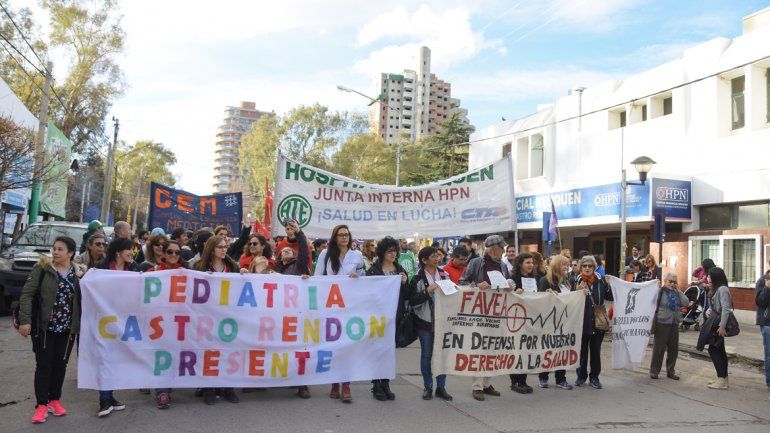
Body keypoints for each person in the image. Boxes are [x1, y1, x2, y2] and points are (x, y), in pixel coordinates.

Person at [18, 236, 85, 424]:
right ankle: (41, 405)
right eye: (54, 248)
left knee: (60, 365)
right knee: (44, 365)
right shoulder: (42, 268)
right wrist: (25, 321)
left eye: (60, 249)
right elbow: (27, 294)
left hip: (68, 328)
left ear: (71, 253)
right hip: (45, 327)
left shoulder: (78, 273)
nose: (55, 252)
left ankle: (54, 400)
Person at [314, 224, 364, 403]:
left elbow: (364, 276)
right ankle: (334, 382)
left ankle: (346, 385)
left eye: (347, 234)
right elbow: (318, 278)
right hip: (331, 307)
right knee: (334, 346)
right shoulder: (325, 255)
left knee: (347, 346)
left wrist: (358, 277)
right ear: (335, 238)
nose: (344, 237)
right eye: (340, 235)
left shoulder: (357, 255)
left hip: (350, 307)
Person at [458, 235, 513, 401]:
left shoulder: (503, 266)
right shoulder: (476, 263)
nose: (503, 251)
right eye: (501, 248)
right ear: (493, 249)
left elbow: (507, 284)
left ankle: (487, 383)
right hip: (479, 314)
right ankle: (477, 386)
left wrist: (510, 285)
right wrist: (475, 286)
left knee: (493, 349)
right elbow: (462, 282)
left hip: (497, 313)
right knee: (479, 349)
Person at [94, 238, 138, 416]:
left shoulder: (134, 269)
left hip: (126, 323)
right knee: (105, 360)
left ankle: (110, 397)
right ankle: (104, 400)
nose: (131, 253)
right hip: (105, 322)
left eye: (133, 250)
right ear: (118, 251)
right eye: (128, 250)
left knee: (116, 361)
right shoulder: (102, 269)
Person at [195, 236, 240, 404]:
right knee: (208, 352)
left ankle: (228, 388)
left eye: (225, 247)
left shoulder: (233, 267)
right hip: (207, 317)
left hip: (228, 317)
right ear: (211, 249)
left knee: (228, 352)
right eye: (220, 247)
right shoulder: (199, 267)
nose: (224, 250)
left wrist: (243, 275)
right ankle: (208, 388)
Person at [366, 236, 409, 401]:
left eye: (395, 251)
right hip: (378, 317)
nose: (393, 254)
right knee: (378, 351)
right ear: (382, 252)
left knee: (389, 352)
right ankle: (376, 384)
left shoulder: (399, 270)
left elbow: (407, 295)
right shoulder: (373, 270)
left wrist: (405, 283)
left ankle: (385, 382)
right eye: (390, 251)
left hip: (395, 317)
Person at [272, 220, 312, 399]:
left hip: (297, 313)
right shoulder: (273, 271)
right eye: (284, 251)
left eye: (290, 250)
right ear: (279, 256)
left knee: (299, 347)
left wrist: (299, 233)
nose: (287, 251)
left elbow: (304, 249)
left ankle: (302, 384)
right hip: (279, 315)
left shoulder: (300, 265)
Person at [410, 246, 453, 401]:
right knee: (427, 355)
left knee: (442, 355)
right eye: (434, 256)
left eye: (438, 256)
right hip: (425, 322)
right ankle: (428, 387)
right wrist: (427, 291)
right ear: (424, 260)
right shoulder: (417, 278)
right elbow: (413, 301)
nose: (437, 258)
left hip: (443, 321)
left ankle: (441, 387)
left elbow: (454, 295)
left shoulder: (444, 274)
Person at [574, 255, 613, 389]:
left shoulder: (601, 280)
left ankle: (594, 377)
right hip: (583, 320)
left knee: (596, 351)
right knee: (582, 351)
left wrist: (609, 285)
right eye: (584, 266)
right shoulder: (577, 280)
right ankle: (581, 376)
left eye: (590, 266)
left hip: (598, 321)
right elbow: (570, 300)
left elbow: (610, 297)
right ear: (581, 267)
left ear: (594, 267)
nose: (587, 268)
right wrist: (577, 291)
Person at [537, 255, 574, 390]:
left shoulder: (568, 281)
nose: (566, 267)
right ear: (556, 265)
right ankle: (543, 377)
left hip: (565, 320)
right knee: (548, 349)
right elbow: (539, 299)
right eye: (563, 264)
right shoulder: (545, 280)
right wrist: (547, 294)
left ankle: (560, 378)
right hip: (550, 321)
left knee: (563, 350)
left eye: (567, 264)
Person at [649, 272, 692, 381]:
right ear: (665, 281)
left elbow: (686, 303)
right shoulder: (660, 291)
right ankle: (654, 371)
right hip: (662, 323)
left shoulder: (677, 292)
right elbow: (650, 302)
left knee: (673, 350)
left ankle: (670, 371)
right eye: (670, 281)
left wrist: (679, 290)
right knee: (659, 349)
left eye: (675, 282)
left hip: (674, 323)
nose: (672, 284)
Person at [509, 252, 537, 394]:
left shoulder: (533, 278)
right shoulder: (513, 279)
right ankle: (515, 381)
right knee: (517, 351)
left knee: (526, 351)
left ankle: (523, 380)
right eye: (527, 263)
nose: (531, 265)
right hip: (517, 319)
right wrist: (515, 293)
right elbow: (506, 296)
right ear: (520, 264)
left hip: (530, 319)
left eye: (532, 263)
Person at [705, 267, 733, 389]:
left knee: (713, 349)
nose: (708, 278)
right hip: (715, 322)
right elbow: (716, 306)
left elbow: (726, 309)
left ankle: (721, 379)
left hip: (719, 325)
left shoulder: (723, 289)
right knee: (720, 350)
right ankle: (723, 379)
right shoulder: (717, 289)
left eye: (710, 276)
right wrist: (708, 311)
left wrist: (722, 326)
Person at [755, 260, 770, 390]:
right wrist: (767, 288)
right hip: (767, 323)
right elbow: (760, 302)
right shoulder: (762, 281)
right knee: (769, 353)